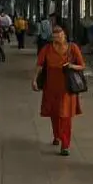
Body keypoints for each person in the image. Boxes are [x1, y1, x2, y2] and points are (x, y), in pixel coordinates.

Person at [32, 25, 85, 156]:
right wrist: (34, 79)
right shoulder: (47, 48)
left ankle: (65, 144)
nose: (56, 39)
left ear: (64, 35)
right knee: (54, 113)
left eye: (59, 36)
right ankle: (57, 135)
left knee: (65, 116)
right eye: (54, 37)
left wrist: (71, 65)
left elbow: (82, 65)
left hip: (67, 88)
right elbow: (39, 64)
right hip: (51, 87)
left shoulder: (73, 48)